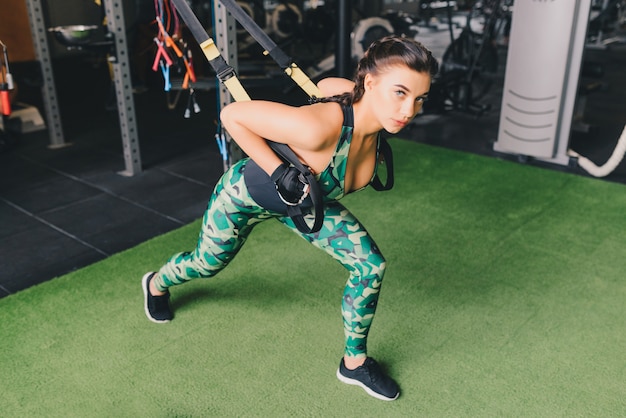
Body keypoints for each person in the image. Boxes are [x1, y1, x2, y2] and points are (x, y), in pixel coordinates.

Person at [142, 34, 438, 401]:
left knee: (370, 266)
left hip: (306, 204)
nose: (409, 110)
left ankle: (355, 362)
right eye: (400, 93)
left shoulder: (362, 104)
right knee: (206, 264)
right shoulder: (317, 127)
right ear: (372, 84)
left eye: (419, 98)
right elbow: (232, 115)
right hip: (246, 197)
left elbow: (331, 85)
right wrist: (279, 173)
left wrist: (296, 184)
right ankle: (157, 283)